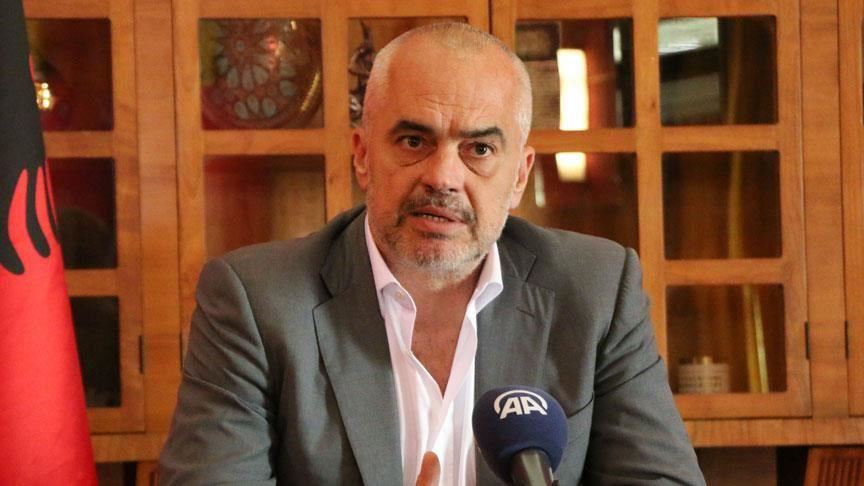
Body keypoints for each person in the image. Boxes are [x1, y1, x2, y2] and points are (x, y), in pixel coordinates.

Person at [159, 22, 705, 485]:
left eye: (479, 149)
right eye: (414, 142)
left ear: (519, 176)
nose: (443, 177)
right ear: (363, 155)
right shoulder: (257, 303)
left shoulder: (596, 290)